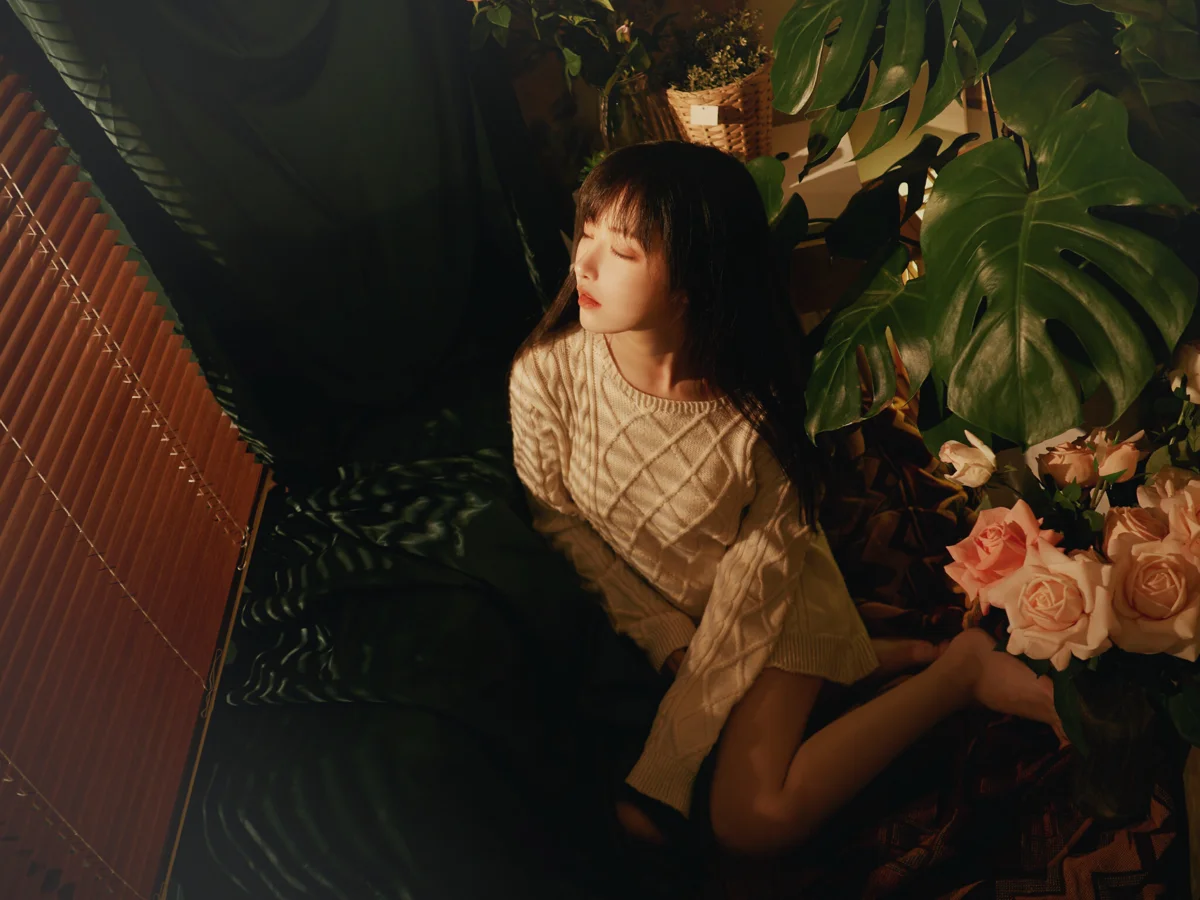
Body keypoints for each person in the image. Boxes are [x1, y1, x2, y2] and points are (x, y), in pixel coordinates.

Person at [507, 141, 1060, 856]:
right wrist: (665, 637)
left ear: (694, 280)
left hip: (775, 610)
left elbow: (754, 587)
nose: (583, 264)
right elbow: (558, 522)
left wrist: (665, 770)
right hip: (679, 626)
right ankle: (869, 659)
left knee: (751, 822)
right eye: (586, 232)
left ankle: (960, 671)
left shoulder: (756, 418)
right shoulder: (543, 377)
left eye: (623, 250)